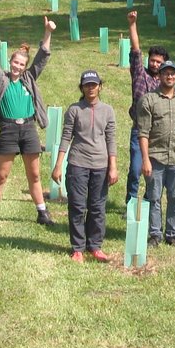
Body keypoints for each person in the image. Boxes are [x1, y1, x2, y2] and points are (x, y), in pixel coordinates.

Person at [0, 14, 56, 230]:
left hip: (29, 129)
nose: (18, 67)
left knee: (35, 174)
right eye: (15, 62)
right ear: (10, 62)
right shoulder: (1, 78)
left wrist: (48, 32)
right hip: (8, 131)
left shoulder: (29, 78)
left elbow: (42, 57)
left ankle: (42, 212)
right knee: (1, 175)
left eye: (22, 64)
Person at [52, 70, 118, 262]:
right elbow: (66, 138)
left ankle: (95, 246)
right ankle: (78, 248)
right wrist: (58, 165)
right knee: (77, 206)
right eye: (87, 85)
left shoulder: (108, 110)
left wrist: (113, 166)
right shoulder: (74, 110)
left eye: (94, 84)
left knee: (97, 207)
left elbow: (111, 139)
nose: (91, 88)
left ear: (100, 86)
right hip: (77, 164)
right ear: (81, 87)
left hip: (100, 165)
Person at [135, 60, 175, 247]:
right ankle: (155, 234)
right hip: (155, 157)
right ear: (159, 76)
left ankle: (171, 234)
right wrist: (145, 159)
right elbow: (143, 132)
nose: (169, 76)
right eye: (166, 73)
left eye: (173, 73)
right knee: (154, 197)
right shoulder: (148, 100)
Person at [125, 10, 169, 203]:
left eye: (159, 62)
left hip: (157, 133)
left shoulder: (166, 83)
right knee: (135, 169)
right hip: (138, 131)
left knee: (153, 173)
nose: (155, 64)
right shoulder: (139, 74)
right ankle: (131, 202)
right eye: (152, 60)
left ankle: (146, 202)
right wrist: (132, 24)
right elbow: (135, 48)